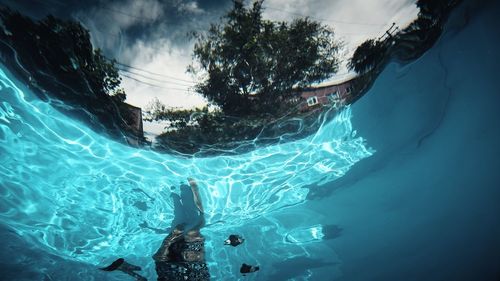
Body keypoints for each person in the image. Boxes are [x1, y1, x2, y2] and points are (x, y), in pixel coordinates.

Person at [100, 178, 209, 281]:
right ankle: (181, 192)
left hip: (178, 248)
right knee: (193, 220)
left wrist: (172, 237)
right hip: (187, 251)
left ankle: (180, 192)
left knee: (191, 220)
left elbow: (159, 259)